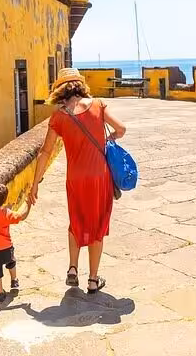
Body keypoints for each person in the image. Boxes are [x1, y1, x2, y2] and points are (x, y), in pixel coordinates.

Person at [29, 68, 126, 294]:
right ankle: (93, 279)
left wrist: (35, 184)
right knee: (97, 225)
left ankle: (72, 268)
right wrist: (108, 139)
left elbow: (45, 152)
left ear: (60, 91)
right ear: (80, 86)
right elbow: (121, 128)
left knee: (77, 220)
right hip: (99, 176)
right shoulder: (99, 105)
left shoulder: (59, 117)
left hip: (75, 178)